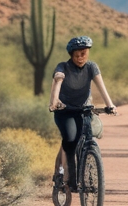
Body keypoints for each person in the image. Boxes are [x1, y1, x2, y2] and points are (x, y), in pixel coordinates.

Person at [49, 36, 117, 188]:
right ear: (71, 55)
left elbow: (101, 85)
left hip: (83, 108)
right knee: (71, 139)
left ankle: (87, 168)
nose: (80, 58)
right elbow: (58, 81)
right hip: (64, 110)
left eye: (83, 54)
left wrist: (110, 105)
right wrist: (54, 102)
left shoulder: (91, 67)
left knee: (86, 135)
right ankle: (66, 176)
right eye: (77, 55)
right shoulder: (63, 67)